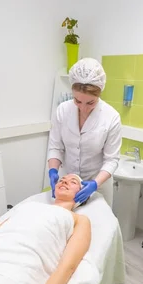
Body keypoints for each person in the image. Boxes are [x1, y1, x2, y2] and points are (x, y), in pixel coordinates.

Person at [47, 58, 122, 207]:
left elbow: (111, 160)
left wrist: (95, 184)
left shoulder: (111, 117)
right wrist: (53, 170)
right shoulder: (63, 110)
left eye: (90, 103)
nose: (83, 108)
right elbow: (56, 147)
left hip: (98, 185)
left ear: (99, 94)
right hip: (68, 180)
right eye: (77, 101)